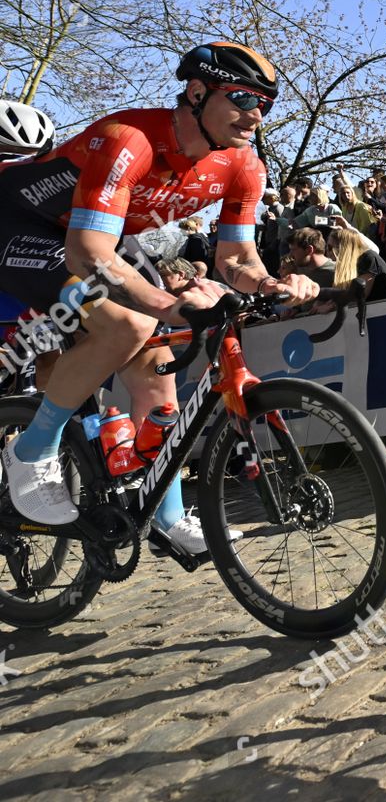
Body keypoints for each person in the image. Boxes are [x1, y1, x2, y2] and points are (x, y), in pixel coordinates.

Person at [0, 41, 318, 551]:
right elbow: (87, 253)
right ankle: (32, 450)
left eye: (265, 103)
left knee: (159, 373)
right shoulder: (128, 140)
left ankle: (165, 514)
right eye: (241, 97)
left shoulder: (243, 166)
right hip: (19, 226)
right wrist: (164, 302)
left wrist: (272, 283)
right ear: (196, 92)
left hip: (93, 239)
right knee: (130, 324)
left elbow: (235, 258)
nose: (254, 114)